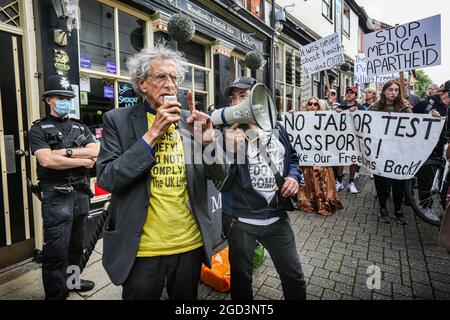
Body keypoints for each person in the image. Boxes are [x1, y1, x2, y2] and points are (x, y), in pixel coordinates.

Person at [96, 46, 228, 300]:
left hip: (188, 245)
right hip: (142, 250)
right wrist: (151, 135)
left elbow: (221, 175)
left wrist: (208, 142)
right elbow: (107, 178)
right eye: (161, 77)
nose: (170, 84)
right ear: (142, 84)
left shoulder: (192, 121)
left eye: (174, 78)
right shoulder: (118, 120)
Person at [219, 76, 307, 300]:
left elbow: (294, 160)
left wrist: (294, 177)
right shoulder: (227, 133)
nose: (236, 102)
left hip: (278, 220)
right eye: (233, 98)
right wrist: (228, 151)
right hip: (242, 223)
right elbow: (221, 181)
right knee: (241, 281)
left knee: (294, 276)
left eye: (243, 96)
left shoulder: (278, 128)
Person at [28, 74, 98, 300]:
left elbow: (96, 152)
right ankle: (57, 294)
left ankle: (73, 281)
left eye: (69, 97)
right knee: (56, 249)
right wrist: (82, 160)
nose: (65, 101)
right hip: (55, 195)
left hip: (80, 193)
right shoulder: (38, 129)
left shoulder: (80, 127)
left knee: (77, 245)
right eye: (60, 97)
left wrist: (64, 153)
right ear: (49, 100)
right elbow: (47, 161)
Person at [369, 79, 412, 225]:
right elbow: (364, 123)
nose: (393, 93)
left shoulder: (404, 108)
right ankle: (383, 207)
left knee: (398, 182)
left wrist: (433, 116)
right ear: (384, 91)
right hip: (380, 152)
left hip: (398, 153)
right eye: (390, 90)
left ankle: (398, 210)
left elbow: (416, 127)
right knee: (381, 182)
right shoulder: (375, 107)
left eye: (396, 90)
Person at [297, 97, 344, 216]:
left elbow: (335, 130)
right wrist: (292, 115)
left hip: (321, 155)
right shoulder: (301, 119)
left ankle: (324, 201)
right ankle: (309, 200)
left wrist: (338, 115)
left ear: (319, 106)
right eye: (310, 104)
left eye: (315, 104)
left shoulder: (325, 119)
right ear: (307, 106)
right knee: (308, 175)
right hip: (308, 156)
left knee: (321, 175)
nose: (312, 106)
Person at [413, 80, 450, 223]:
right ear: (446, 93)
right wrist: (428, 114)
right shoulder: (426, 103)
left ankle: (444, 208)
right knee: (426, 179)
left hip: (444, 150)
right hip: (427, 150)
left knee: (443, 182)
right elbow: (410, 119)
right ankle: (426, 207)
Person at [334, 86, 364, 193]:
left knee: (352, 160)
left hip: (354, 138)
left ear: (355, 95)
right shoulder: (340, 106)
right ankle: (339, 181)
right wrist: (335, 111)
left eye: (352, 93)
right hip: (341, 137)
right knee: (340, 159)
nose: (349, 94)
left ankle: (351, 183)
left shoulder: (360, 107)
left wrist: (357, 112)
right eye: (347, 92)